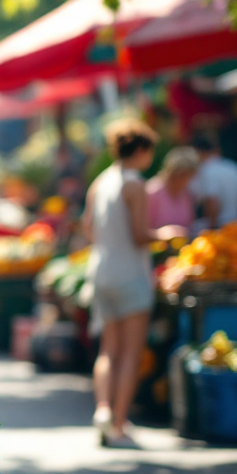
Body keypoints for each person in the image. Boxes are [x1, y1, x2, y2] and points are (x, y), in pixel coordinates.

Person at [81, 120, 185, 448]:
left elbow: (87, 228)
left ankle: (102, 410)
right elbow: (141, 235)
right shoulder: (135, 184)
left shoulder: (100, 182)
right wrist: (166, 235)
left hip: (101, 270)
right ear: (140, 150)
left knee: (108, 350)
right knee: (130, 352)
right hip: (130, 274)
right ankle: (120, 422)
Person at [190, 133, 237, 230]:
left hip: (219, 229)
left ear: (200, 152)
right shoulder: (234, 167)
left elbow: (212, 201)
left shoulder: (206, 170)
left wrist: (209, 230)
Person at [146, 146, 199, 234]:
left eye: (189, 176)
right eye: (182, 175)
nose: (185, 181)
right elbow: (141, 231)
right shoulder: (152, 191)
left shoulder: (186, 194)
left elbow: (190, 224)